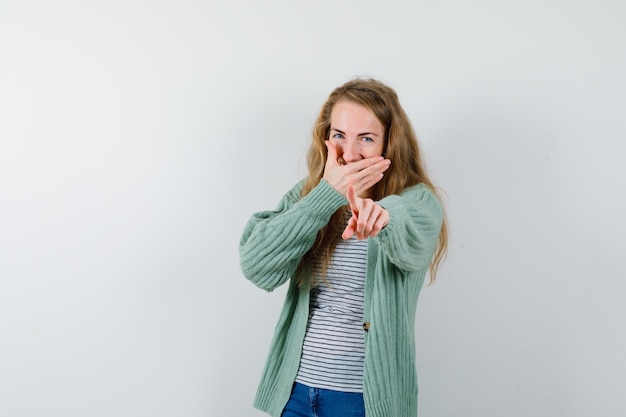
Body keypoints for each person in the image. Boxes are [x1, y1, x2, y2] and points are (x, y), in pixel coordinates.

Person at [239, 77, 448, 417]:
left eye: (366, 138)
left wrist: (380, 216)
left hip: (361, 402)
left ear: (389, 144)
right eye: (339, 136)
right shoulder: (308, 196)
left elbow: (408, 229)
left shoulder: (418, 201)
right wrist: (325, 197)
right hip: (295, 394)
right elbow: (256, 266)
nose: (349, 154)